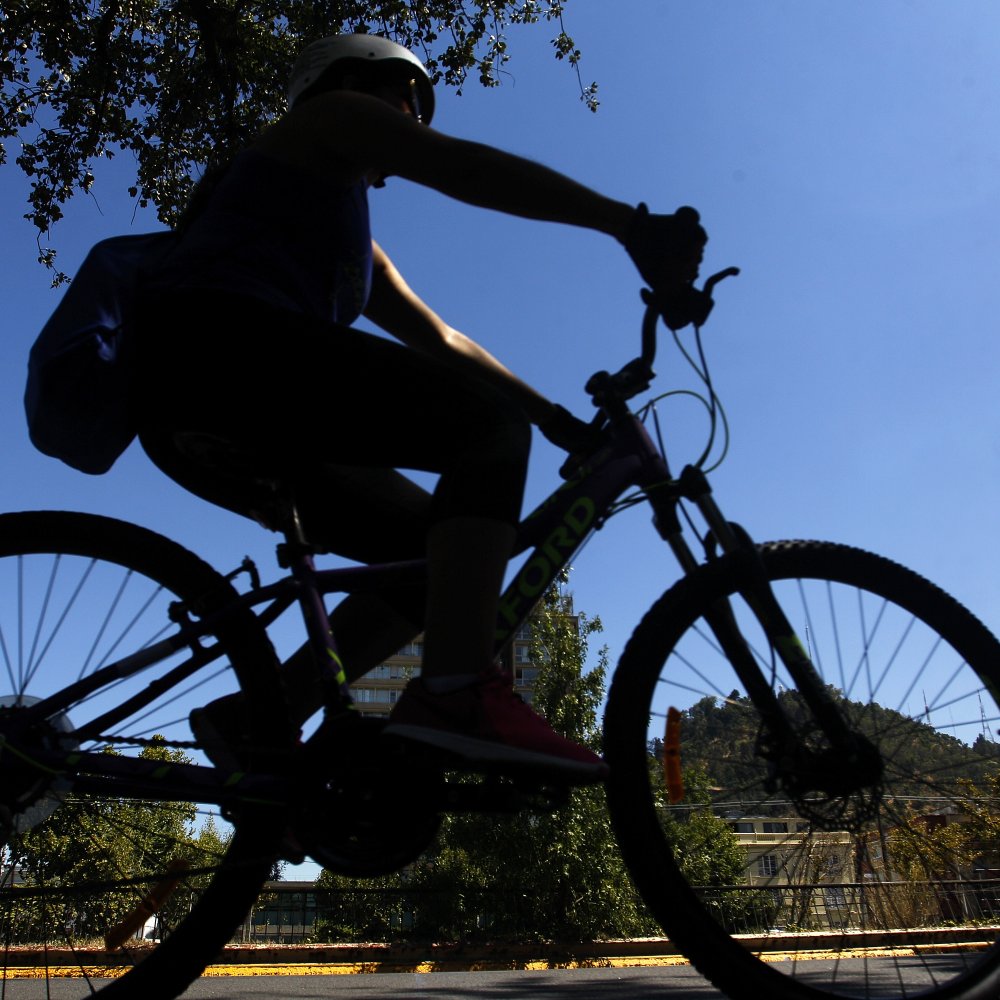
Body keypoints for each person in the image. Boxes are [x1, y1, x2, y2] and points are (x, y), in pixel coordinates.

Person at [133, 34, 707, 782]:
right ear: (351, 79)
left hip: (223, 402)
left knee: (433, 565)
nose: (413, 119)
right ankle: (456, 691)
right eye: (407, 99)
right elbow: (458, 166)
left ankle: (260, 719)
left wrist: (551, 418)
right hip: (217, 353)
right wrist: (630, 225)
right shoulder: (327, 117)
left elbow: (440, 338)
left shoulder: (346, 239)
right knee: (483, 428)